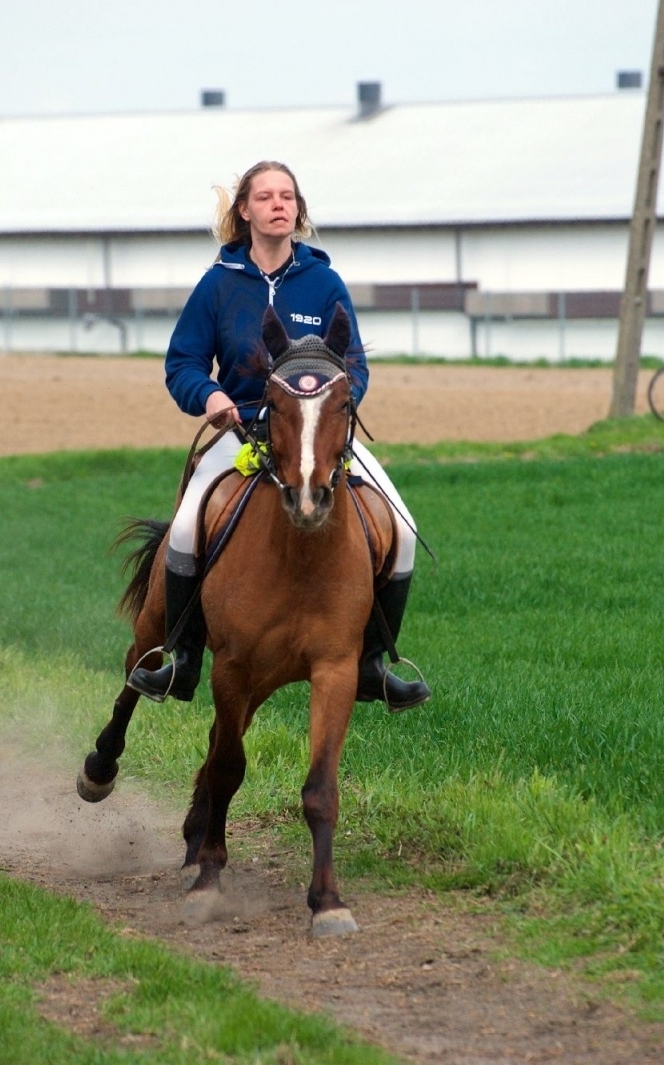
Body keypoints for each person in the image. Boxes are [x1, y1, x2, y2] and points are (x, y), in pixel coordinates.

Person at [126, 160, 428, 710]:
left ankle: (372, 663)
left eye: (287, 196)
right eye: (265, 197)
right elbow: (183, 364)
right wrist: (211, 397)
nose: (278, 204)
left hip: (317, 435)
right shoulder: (218, 285)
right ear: (245, 211)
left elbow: (354, 361)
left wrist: (340, 401)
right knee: (189, 526)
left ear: (298, 210)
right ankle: (185, 657)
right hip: (242, 429)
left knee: (403, 530)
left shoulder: (324, 282)